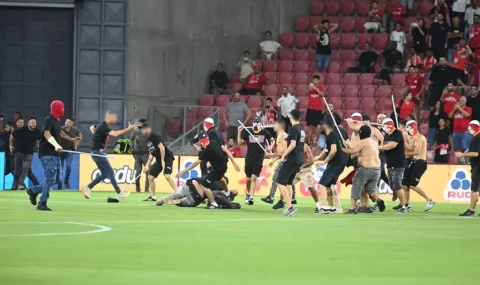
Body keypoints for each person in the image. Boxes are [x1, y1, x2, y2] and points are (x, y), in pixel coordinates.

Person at [81, 111, 140, 200]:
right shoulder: (103, 126)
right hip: (98, 153)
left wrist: (96, 136)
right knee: (111, 172)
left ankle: (88, 187)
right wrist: (129, 129)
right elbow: (115, 134)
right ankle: (119, 192)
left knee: (105, 174)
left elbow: (91, 127)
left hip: (95, 153)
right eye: (114, 117)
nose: (115, 119)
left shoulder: (101, 125)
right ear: (108, 117)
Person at [26, 101, 65, 211]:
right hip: (47, 153)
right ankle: (42, 203)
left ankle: (33, 191)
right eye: (62, 108)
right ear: (57, 108)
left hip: (55, 154)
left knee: (57, 179)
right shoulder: (49, 119)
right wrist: (56, 145)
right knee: (50, 179)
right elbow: (46, 134)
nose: (63, 110)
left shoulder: (57, 122)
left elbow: (60, 133)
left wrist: (72, 139)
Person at [176, 131, 231, 209]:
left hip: (217, 169)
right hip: (223, 166)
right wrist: (234, 162)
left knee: (204, 184)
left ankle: (213, 204)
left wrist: (183, 171)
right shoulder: (215, 142)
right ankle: (227, 193)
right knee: (221, 178)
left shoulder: (207, 151)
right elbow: (225, 150)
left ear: (201, 141)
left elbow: (195, 163)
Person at [342, 125, 386, 214]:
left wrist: (341, 148)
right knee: (370, 188)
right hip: (377, 169)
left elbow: (352, 151)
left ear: (361, 133)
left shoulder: (363, 142)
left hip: (366, 169)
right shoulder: (374, 142)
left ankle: (352, 208)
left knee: (356, 185)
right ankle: (378, 200)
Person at [400, 120, 436, 211]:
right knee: (405, 184)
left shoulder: (420, 138)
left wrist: (404, 154)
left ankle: (429, 200)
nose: (407, 130)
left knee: (412, 185)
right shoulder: (413, 137)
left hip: (420, 163)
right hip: (414, 162)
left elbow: (417, 151)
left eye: (408, 128)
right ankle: (407, 205)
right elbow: (411, 148)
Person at [315, 117, 348, 214]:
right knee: (329, 185)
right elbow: (327, 148)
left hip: (335, 163)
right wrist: (319, 157)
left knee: (322, 184)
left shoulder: (331, 135)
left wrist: (324, 162)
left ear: (325, 125)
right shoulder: (337, 133)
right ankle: (332, 207)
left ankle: (324, 206)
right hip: (341, 162)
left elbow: (333, 150)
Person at [237, 117, 273, 205]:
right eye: (254, 122)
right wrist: (239, 132)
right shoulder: (248, 132)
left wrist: (270, 148)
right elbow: (239, 142)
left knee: (254, 178)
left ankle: (251, 197)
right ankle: (248, 193)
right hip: (249, 158)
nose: (255, 124)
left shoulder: (264, 132)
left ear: (260, 123)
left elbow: (272, 140)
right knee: (248, 178)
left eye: (257, 122)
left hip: (259, 158)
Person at [275, 109, 304, 217]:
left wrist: (284, 155)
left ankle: (289, 207)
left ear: (291, 117)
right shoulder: (301, 129)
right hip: (299, 159)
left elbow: (292, 144)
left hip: (292, 158)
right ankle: (289, 205)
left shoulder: (292, 129)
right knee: (288, 183)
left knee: (280, 182)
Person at [140, 123, 176, 201]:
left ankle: (178, 193)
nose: (141, 131)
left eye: (142, 129)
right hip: (159, 159)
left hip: (167, 157)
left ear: (147, 129)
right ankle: (153, 197)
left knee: (167, 175)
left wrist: (163, 161)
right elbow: (152, 153)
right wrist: (147, 165)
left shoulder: (153, 135)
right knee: (150, 177)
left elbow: (162, 148)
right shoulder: (147, 140)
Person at [262, 119, 294, 205]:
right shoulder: (281, 135)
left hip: (284, 160)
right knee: (282, 180)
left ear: (279, 126)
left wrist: (273, 155)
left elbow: (284, 150)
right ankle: (281, 198)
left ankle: (272, 197)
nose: (273, 126)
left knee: (278, 179)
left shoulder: (283, 135)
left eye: (274, 124)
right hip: (283, 159)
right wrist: (274, 159)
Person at [380, 118, 408, 212]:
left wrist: (380, 147)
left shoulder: (397, 133)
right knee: (392, 185)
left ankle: (404, 206)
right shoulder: (387, 136)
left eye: (384, 126)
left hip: (398, 164)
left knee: (397, 185)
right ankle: (400, 202)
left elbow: (392, 145)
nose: (383, 128)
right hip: (390, 163)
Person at [156, 178, 240, 209]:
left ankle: (161, 200)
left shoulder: (209, 177)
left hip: (190, 183)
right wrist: (228, 192)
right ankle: (180, 202)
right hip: (196, 196)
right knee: (189, 203)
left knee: (177, 194)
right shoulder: (219, 188)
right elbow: (235, 191)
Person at [456, 120, 480, 216]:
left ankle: (472, 210)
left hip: (477, 166)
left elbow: (475, 153)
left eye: (470, 127)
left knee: (474, 188)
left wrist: (462, 154)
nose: (468, 129)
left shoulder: (476, 138)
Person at [11, 117, 41, 190]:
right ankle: (15, 184)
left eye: (34, 123)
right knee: (17, 170)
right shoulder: (22, 130)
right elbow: (12, 135)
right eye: (32, 122)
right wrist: (10, 145)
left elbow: (38, 140)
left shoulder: (37, 131)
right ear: (28, 123)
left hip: (29, 152)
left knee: (26, 168)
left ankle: (20, 185)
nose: (33, 124)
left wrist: (39, 147)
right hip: (19, 151)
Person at [58, 118, 82, 190]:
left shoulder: (75, 130)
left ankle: (66, 181)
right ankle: (59, 185)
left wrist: (76, 145)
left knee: (68, 166)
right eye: (66, 121)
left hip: (69, 150)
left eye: (69, 122)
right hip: (60, 150)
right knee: (60, 168)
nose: (67, 123)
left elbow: (80, 137)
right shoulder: (61, 128)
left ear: (72, 124)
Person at [130, 119, 149, 193]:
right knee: (137, 172)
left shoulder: (147, 131)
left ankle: (146, 189)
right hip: (137, 154)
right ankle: (138, 189)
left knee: (148, 172)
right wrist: (132, 148)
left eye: (140, 123)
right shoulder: (136, 131)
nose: (139, 125)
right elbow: (131, 139)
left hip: (146, 154)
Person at [306, 75, 325, 145]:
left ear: (318, 81)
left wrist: (315, 88)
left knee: (318, 124)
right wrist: (309, 89)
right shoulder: (310, 87)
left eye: (316, 80)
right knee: (309, 125)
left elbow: (322, 94)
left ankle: (315, 139)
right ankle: (308, 141)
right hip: (310, 108)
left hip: (318, 109)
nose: (315, 81)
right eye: (314, 80)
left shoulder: (320, 87)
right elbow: (306, 93)